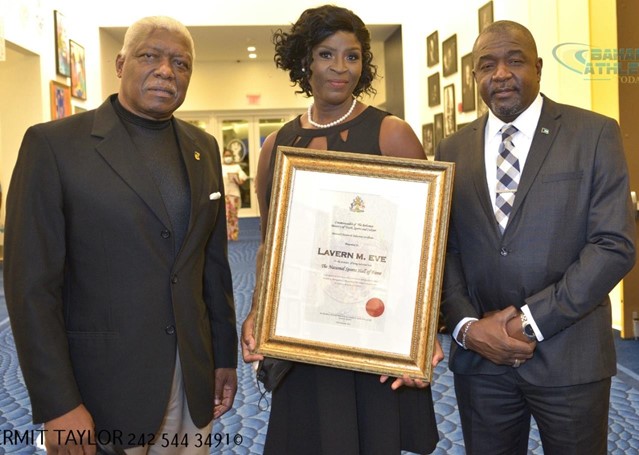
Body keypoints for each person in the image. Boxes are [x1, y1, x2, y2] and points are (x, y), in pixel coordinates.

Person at [4, 16, 238, 454]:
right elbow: (30, 288)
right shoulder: (53, 146)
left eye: (180, 63)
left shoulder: (202, 147)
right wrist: (57, 403)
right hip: (103, 387)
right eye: (150, 55)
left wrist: (223, 357)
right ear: (120, 62)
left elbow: (212, 264)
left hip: (191, 376)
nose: (166, 70)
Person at [241, 5, 443, 454]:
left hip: (375, 330)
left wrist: (423, 327)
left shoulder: (391, 133)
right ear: (304, 61)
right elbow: (269, 244)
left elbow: (425, 242)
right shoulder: (278, 144)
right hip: (304, 331)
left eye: (351, 57)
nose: (339, 68)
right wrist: (258, 309)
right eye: (326, 54)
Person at [435, 20, 636, 455]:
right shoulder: (452, 149)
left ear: (539, 67)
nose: (501, 74)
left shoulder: (594, 133)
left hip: (570, 357)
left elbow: (613, 244)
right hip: (481, 362)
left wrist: (527, 322)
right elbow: (445, 249)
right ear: (474, 77)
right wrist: (468, 328)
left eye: (515, 60)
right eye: (487, 65)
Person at [221, 148, 248, 241]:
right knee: (225, 216)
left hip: (234, 194)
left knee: (233, 215)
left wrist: (238, 180)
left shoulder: (236, 167)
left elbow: (243, 179)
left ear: (232, 156)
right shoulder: (220, 167)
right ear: (223, 156)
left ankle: (234, 234)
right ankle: (226, 235)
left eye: (229, 155)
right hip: (224, 194)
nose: (227, 157)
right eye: (226, 155)